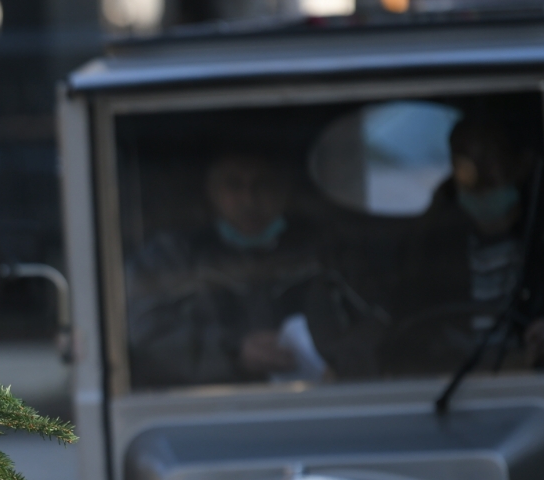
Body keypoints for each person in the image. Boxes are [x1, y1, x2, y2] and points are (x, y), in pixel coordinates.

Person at [125, 150, 368, 387]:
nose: (249, 199)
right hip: (207, 412)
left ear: (284, 190)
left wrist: (341, 367)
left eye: (263, 185)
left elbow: (373, 325)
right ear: (212, 191)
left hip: (321, 405)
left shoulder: (327, 252)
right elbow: (145, 335)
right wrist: (234, 352)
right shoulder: (171, 257)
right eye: (233, 185)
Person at [385, 109, 544, 373]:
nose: (476, 176)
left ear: (523, 163)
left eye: (488, 158)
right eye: (463, 161)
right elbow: (409, 338)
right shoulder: (431, 250)